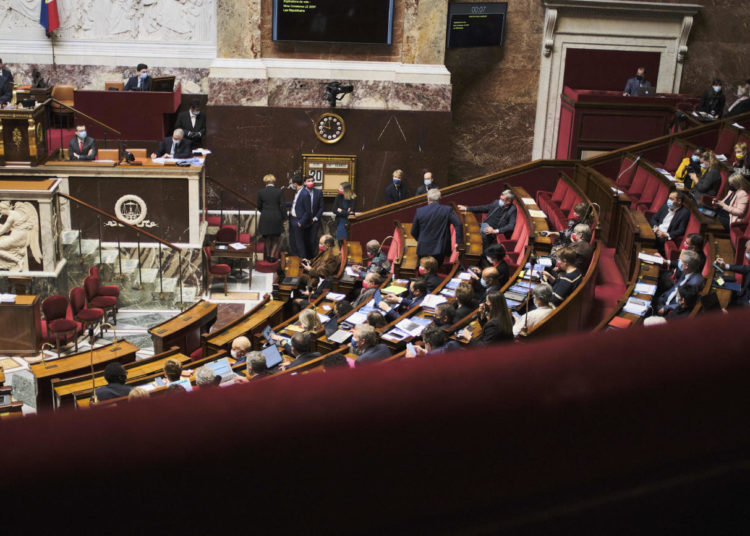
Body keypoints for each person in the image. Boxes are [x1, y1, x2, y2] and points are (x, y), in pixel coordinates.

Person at [411, 188, 463, 267]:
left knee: (423, 271)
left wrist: (421, 239)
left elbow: (413, 231)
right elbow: (458, 224)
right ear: (439, 198)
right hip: (439, 248)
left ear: (428, 199)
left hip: (423, 248)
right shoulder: (447, 210)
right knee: (436, 270)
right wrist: (458, 242)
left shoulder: (420, 211)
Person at [655, 249, 705, 315]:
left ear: (686, 266)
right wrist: (663, 261)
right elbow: (676, 263)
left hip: (668, 307)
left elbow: (685, 304)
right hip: (664, 298)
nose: (679, 262)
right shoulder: (689, 269)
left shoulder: (694, 283)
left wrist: (666, 308)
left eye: (680, 261)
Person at [257, 173, 285, 262]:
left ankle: (268, 255)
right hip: (277, 216)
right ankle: (272, 257)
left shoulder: (261, 192)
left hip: (265, 217)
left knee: (267, 237)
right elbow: (282, 206)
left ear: (265, 181)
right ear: (274, 181)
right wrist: (285, 218)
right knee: (276, 238)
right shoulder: (279, 191)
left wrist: (265, 212)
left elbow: (259, 206)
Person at [295, 174, 324, 259]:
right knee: (304, 241)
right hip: (303, 221)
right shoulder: (301, 192)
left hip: (314, 221)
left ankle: (313, 259)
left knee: (312, 241)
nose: (311, 182)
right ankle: (305, 260)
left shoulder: (318, 192)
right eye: (309, 181)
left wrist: (315, 218)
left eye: (312, 181)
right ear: (304, 183)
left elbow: (321, 207)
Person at [716, 239, 750, 308]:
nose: (746, 252)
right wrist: (725, 265)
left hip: (745, 305)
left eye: (749, 252)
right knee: (717, 281)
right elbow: (745, 268)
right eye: (746, 250)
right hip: (743, 294)